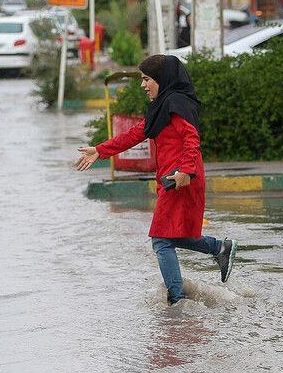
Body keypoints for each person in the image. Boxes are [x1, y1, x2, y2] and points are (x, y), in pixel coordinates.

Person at [75, 54, 237, 305]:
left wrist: (184, 172)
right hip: (171, 179)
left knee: (161, 240)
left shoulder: (176, 103)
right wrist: (100, 150)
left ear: (162, 79)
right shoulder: (161, 106)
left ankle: (178, 302)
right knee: (170, 235)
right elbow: (134, 134)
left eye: (146, 79)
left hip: (181, 178)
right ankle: (219, 248)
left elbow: (192, 140)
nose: (143, 85)